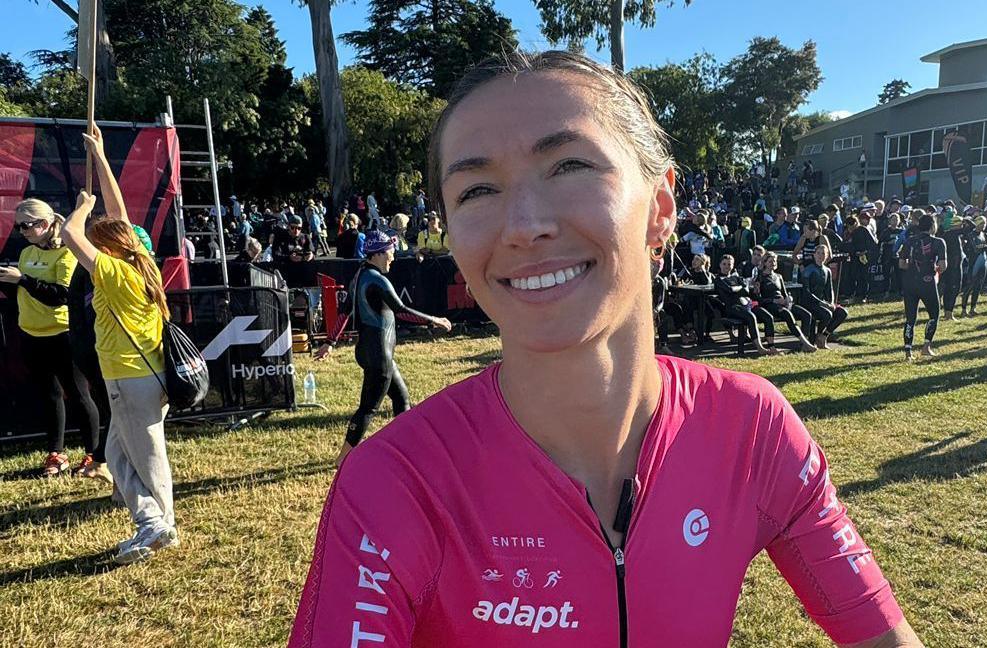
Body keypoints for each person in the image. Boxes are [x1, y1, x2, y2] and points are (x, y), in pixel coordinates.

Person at [290, 51, 920, 648]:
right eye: (477, 191)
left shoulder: (751, 429)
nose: (524, 225)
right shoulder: (393, 485)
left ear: (661, 209)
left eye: (569, 167)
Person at [60, 127, 177, 564]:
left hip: (130, 379)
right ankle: (160, 524)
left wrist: (81, 210)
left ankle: (154, 525)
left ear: (109, 248)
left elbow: (72, 237)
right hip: (147, 374)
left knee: (145, 460)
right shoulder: (140, 261)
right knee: (122, 453)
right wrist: (101, 158)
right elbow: (121, 213)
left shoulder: (113, 272)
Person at [315, 231, 452, 464]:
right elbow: (400, 311)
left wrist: (330, 342)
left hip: (370, 350)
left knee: (402, 400)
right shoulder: (377, 279)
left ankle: (408, 450)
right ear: (377, 254)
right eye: (390, 252)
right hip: (379, 353)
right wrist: (433, 320)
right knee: (368, 408)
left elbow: (344, 311)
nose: (393, 257)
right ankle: (343, 458)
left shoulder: (359, 275)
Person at [0, 199, 102, 477]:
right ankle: (56, 454)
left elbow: (59, 297)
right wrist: (9, 283)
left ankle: (94, 455)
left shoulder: (67, 254)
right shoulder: (26, 253)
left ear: (45, 224)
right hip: (31, 333)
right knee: (50, 395)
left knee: (80, 395)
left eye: (27, 225)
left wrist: (21, 280)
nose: (22, 231)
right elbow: (23, 294)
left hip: (63, 334)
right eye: (18, 226)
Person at [898, 211, 947, 360]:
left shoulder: (909, 241)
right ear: (933, 226)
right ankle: (926, 347)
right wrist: (935, 270)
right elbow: (943, 265)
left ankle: (908, 352)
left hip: (910, 282)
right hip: (928, 281)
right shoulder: (938, 242)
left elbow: (901, 264)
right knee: (934, 314)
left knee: (910, 318)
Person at [714, 254, 778, 355]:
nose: (726, 266)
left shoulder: (736, 277)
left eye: (729, 264)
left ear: (733, 265)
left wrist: (738, 288)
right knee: (751, 317)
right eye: (724, 264)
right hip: (732, 307)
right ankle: (760, 348)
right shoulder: (718, 279)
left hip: (747, 303)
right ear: (720, 265)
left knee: (768, 316)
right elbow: (729, 289)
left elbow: (746, 290)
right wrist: (739, 288)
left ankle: (772, 346)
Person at [757, 253, 818, 352]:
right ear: (765, 263)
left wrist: (788, 299)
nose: (773, 263)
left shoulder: (778, 276)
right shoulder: (760, 277)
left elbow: (784, 293)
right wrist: (774, 300)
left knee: (806, 314)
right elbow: (758, 298)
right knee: (787, 314)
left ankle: (803, 342)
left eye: (774, 261)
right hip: (770, 304)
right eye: (770, 261)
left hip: (783, 303)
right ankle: (805, 343)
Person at [799, 244, 849, 348]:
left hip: (822, 303)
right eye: (818, 253)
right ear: (814, 255)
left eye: (823, 254)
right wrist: (823, 303)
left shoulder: (827, 270)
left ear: (826, 256)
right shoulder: (808, 270)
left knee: (842, 312)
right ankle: (818, 336)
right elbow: (807, 292)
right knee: (827, 314)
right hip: (809, 302)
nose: (821, 256)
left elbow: (829, 289)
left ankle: (823, 336)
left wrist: (831, 303)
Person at [960, 216, 987, 316]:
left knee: (978, 286)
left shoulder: (985, 235)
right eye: (981, 224)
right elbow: (975, 248)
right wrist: (985, 246)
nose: (983, 226)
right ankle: (963, 309)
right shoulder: (971, 234)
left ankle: (973, 308)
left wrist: (985, 247)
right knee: (969, 285)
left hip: (983, 262)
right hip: (973, 262)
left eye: (984, 224)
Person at [938, 209, 966, 320]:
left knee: (953, 289)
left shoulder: (953, 235)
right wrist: (966, 220)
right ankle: (948, 313)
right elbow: (971, 227)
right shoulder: (951, 233)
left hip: (955, 265)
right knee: (952, 288)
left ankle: (948, 312)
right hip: (952, 267)